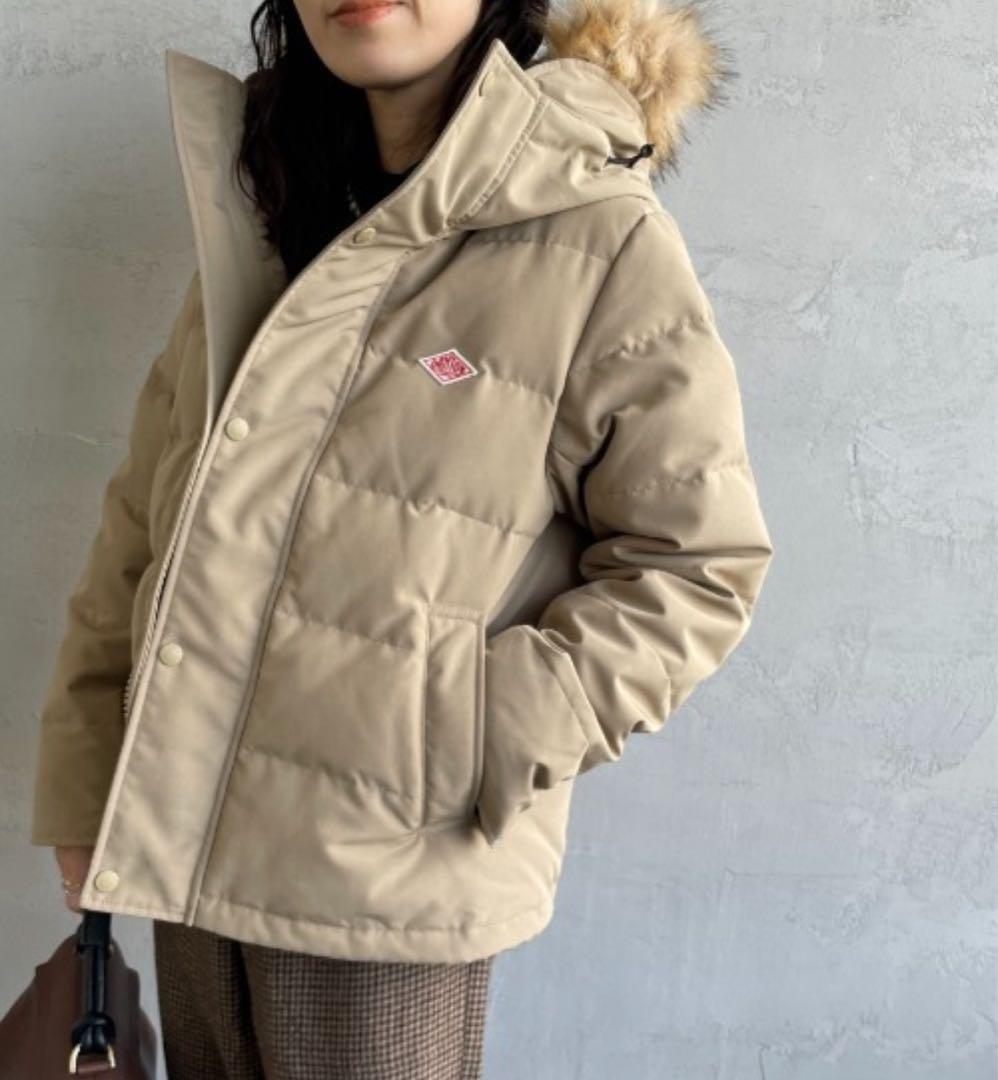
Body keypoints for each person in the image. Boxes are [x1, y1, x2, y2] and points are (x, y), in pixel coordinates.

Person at [29, 0, 775, 1074]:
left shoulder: (599, 237)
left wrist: (462, 732)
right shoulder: (261, 210)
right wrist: (87, 779)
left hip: (386, 878)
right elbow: (145, 524)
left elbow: (696, 565)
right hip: (181, 845)